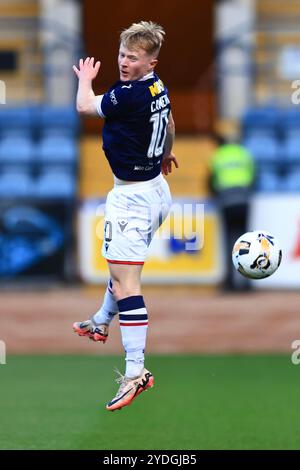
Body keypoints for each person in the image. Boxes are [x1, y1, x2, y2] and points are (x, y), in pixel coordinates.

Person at [72, 21, 178, 411]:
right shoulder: (158, 85)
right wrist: (166, 151)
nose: (123, 62)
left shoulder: (127, 94)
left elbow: (84, 106)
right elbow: (167, 121)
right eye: (121, 55)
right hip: (156, 192)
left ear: (151, 61)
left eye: (132, 58)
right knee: (121, 270)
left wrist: (85, 79)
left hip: (132, 198)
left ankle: (136, 373)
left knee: (127, 281)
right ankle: (101, 319)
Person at [209, 135, 255, 292]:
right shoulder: (244, 153)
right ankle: (247, 282)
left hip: (227, 201)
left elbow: (211, 181)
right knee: (246, 242)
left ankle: (230, 283)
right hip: (243, 200)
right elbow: (254, 177)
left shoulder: (218, 155)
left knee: (229, 241)